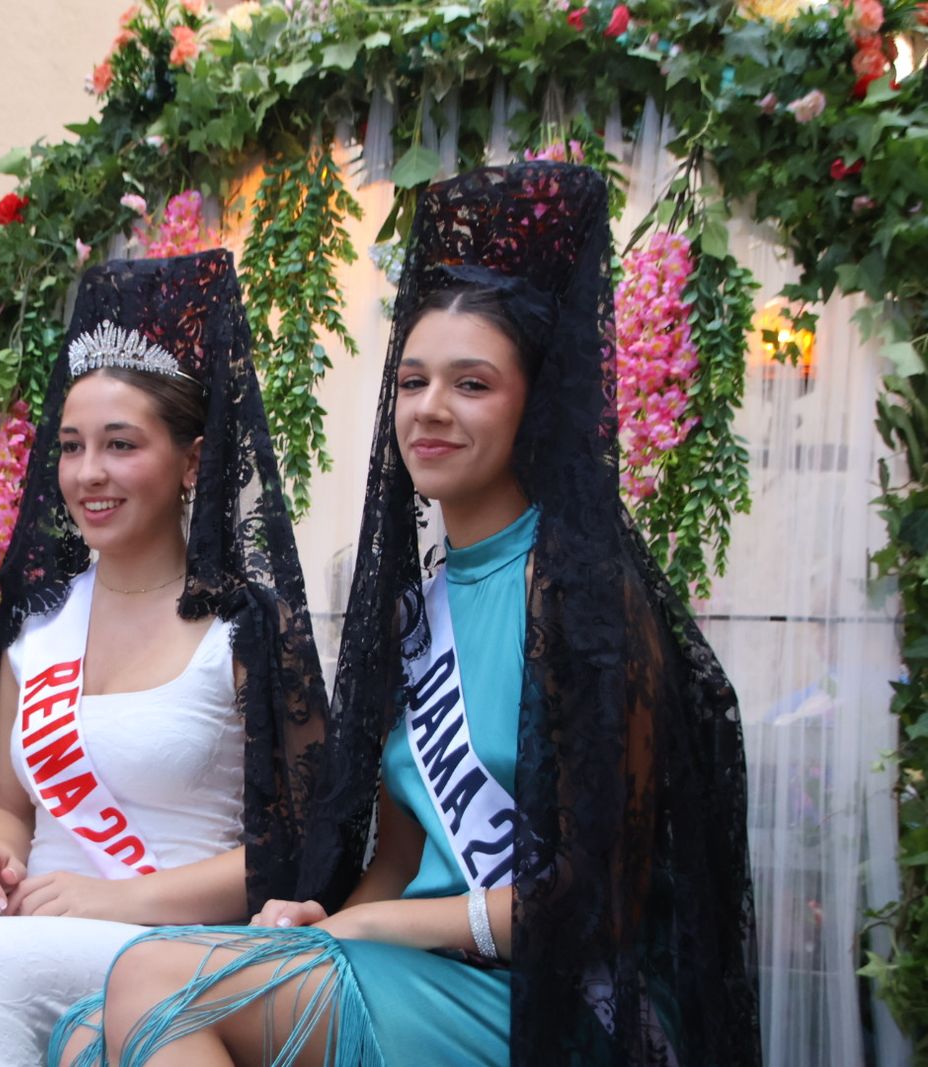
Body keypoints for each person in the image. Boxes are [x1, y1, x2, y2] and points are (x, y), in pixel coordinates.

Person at [52, 163, 761, 1066]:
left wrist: (380, 926)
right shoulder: (413, 610)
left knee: (156, 981)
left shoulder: (583, 598)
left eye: (472, 385)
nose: (430, 409)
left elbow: (596, 900)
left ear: (535, 405)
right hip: (422, 971)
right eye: (413, 381)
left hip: (551, 999)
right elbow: (398, 856)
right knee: (87, 1032)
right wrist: (329, 923)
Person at [0, 250, 361, 1067]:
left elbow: (298, 843)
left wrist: (114, 897)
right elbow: (9, 808)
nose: (88, 473)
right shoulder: (35, 627)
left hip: (170, 944)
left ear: (192, 461)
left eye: (120, 444)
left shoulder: (248, 629)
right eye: (72, 446)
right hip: (33, 933)